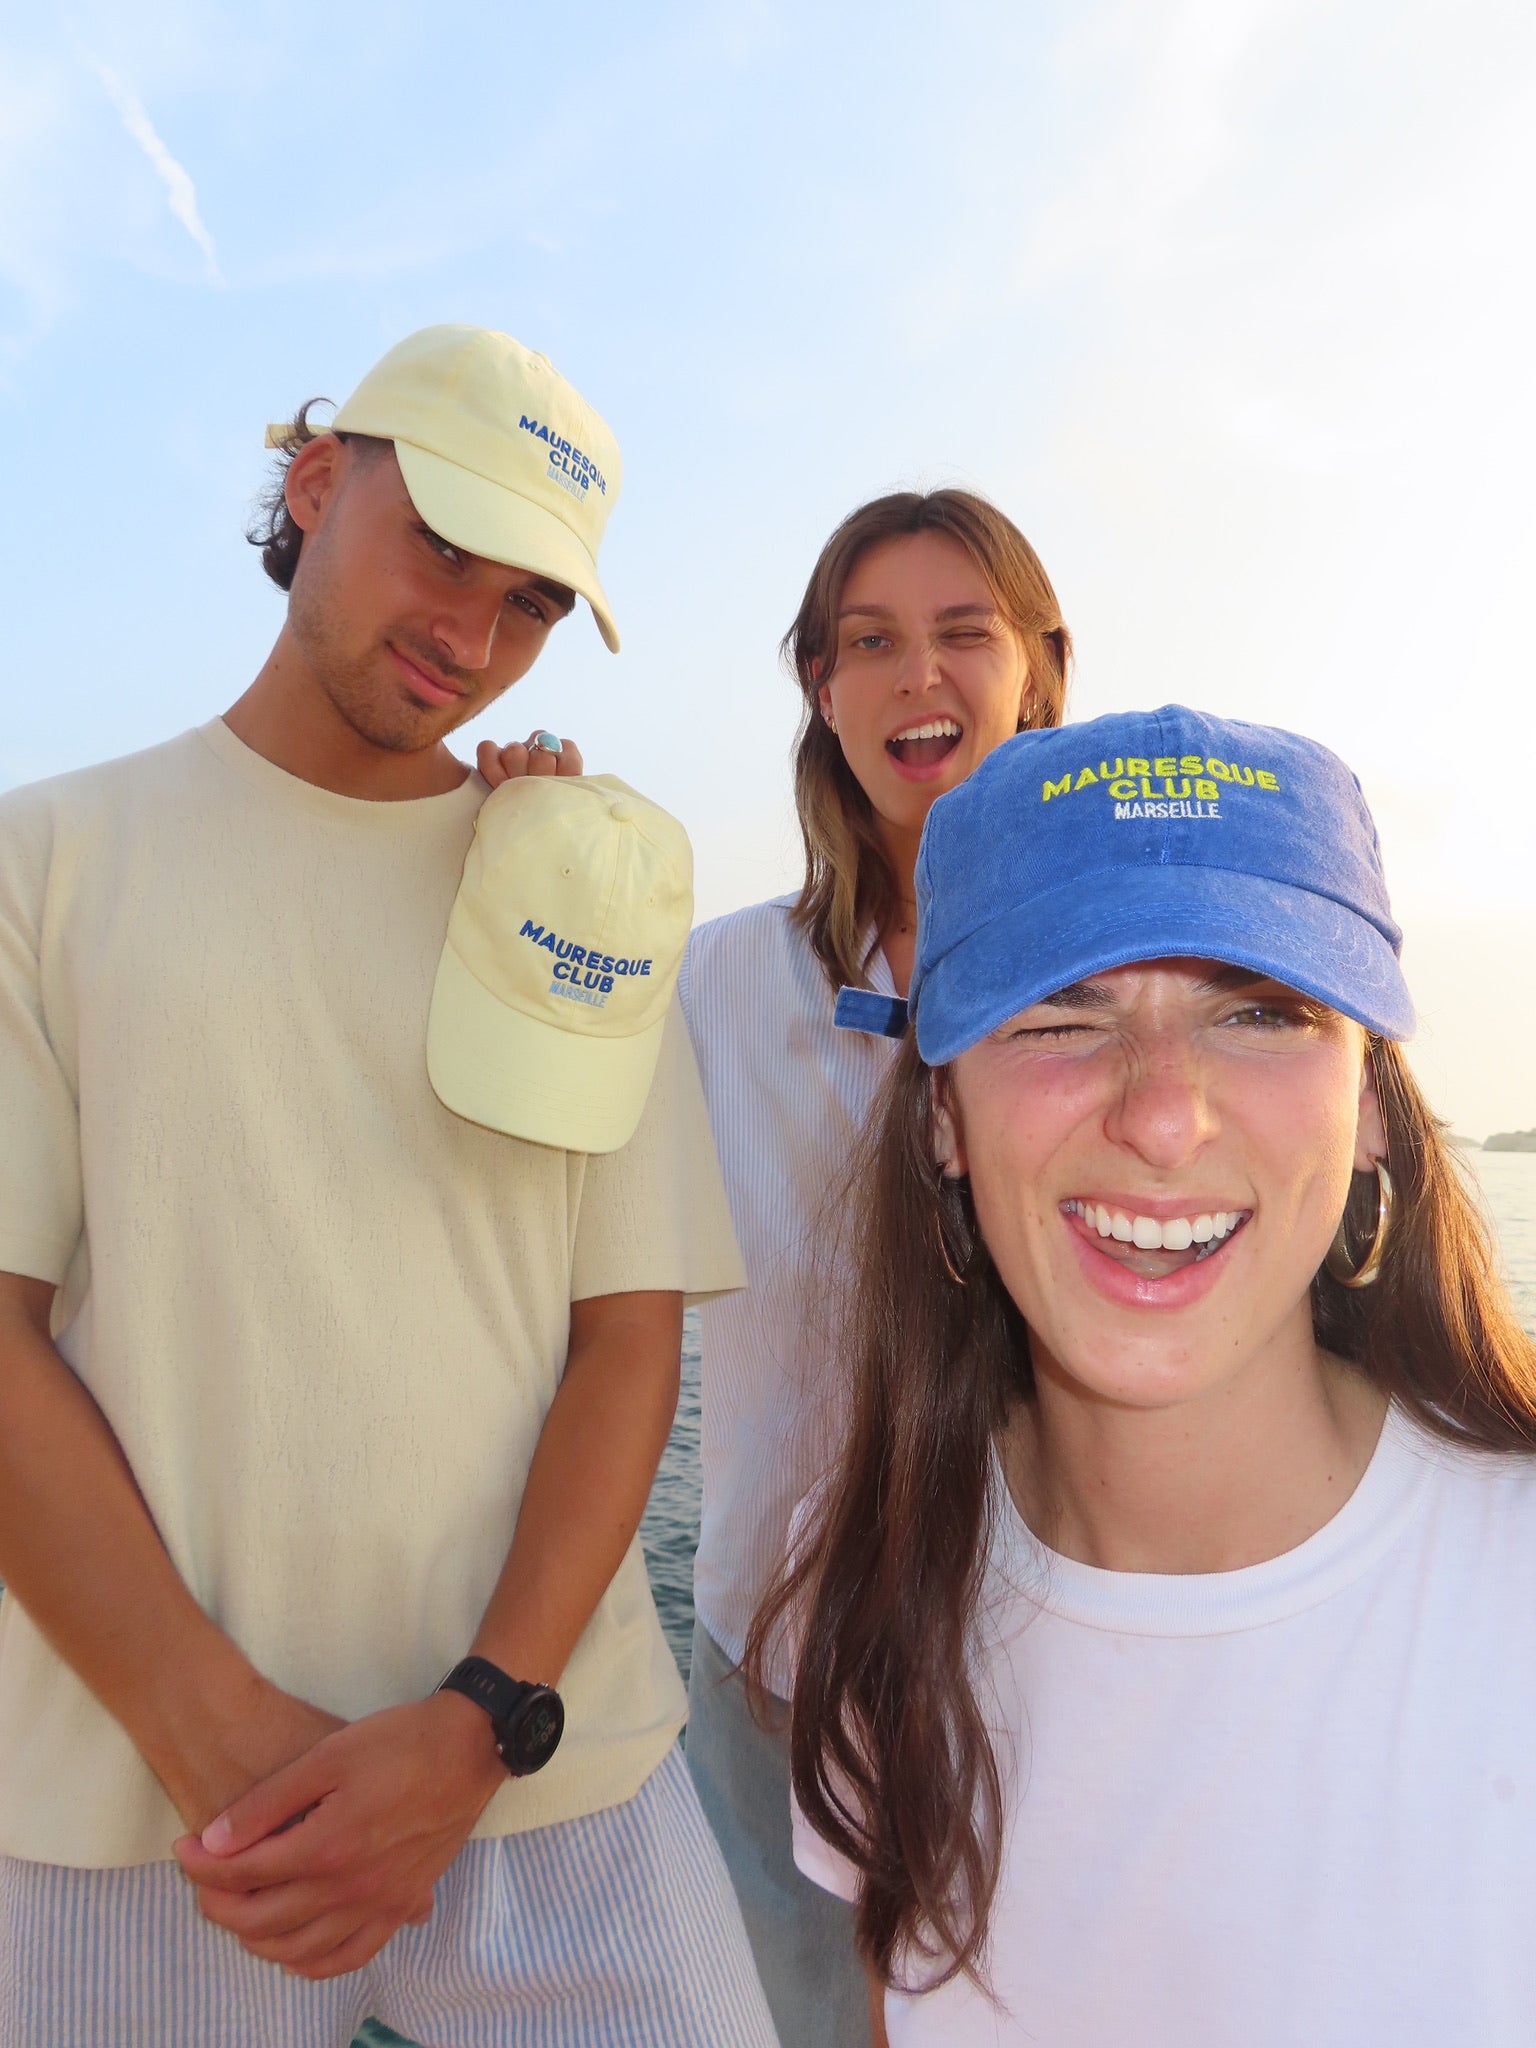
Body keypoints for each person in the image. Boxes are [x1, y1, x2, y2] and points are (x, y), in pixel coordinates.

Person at [0, 324, 777, 2047]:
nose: (471, 636)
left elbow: (624, 1342)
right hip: (141, 1797)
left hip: (545, 1761)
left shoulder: (573, 886)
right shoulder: (43, 857)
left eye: (532, 606)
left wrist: (481, 1717)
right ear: (313, 481)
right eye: (444, 545)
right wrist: (211, 1731)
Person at [766, 706, 1536, 2047]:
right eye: (1063, 1013)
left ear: (1367, 1106)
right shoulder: (878, 1582)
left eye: (1260, 1010)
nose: (1165, 1114)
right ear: (943, 1115)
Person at [675, 490, 1071, 2043]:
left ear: (1037, 668)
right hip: (765, 1652)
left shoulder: (1119, 969)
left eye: (965, 633)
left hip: (1043, 1654)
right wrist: (526, 855)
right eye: (870, 642)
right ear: (818, 690)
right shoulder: (721, 976)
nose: (921, 678)